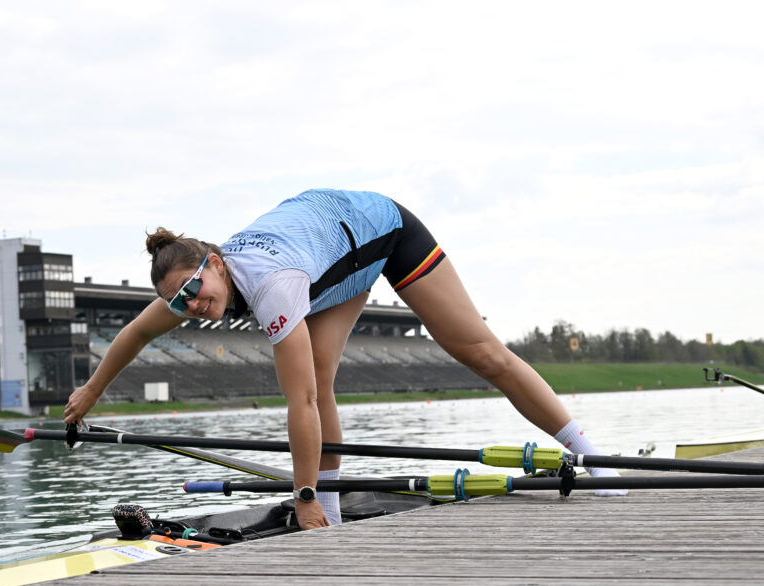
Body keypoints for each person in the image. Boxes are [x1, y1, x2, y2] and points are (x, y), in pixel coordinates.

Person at [64, 188, 625, 530]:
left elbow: (300, 402)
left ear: (214, 261)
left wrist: (300, 495)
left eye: (194, 289)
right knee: (320, 376)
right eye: (178, 303)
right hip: (329, 253)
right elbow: (136, 333)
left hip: (384, 232)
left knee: (481, 353)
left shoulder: (273, 288)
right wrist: (90, 391)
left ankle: (594, 457)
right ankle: (329, 515)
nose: (192, 305)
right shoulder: (197, 287)